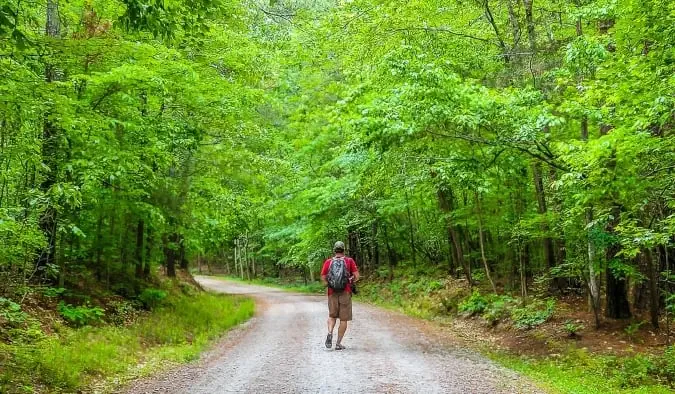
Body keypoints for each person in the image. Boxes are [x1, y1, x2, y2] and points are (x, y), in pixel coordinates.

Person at [321, 241, 359, 350]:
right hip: (345, 292)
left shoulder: (328, 262)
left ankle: (329, 333)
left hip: (332, 293)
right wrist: (350, 280)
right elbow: (357, 276)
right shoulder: (349, 261)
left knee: (332, 316)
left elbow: (323, 277)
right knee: (344, 319)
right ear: (343, 250)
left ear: (334, 250)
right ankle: (338, 343)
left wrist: (329, 284)